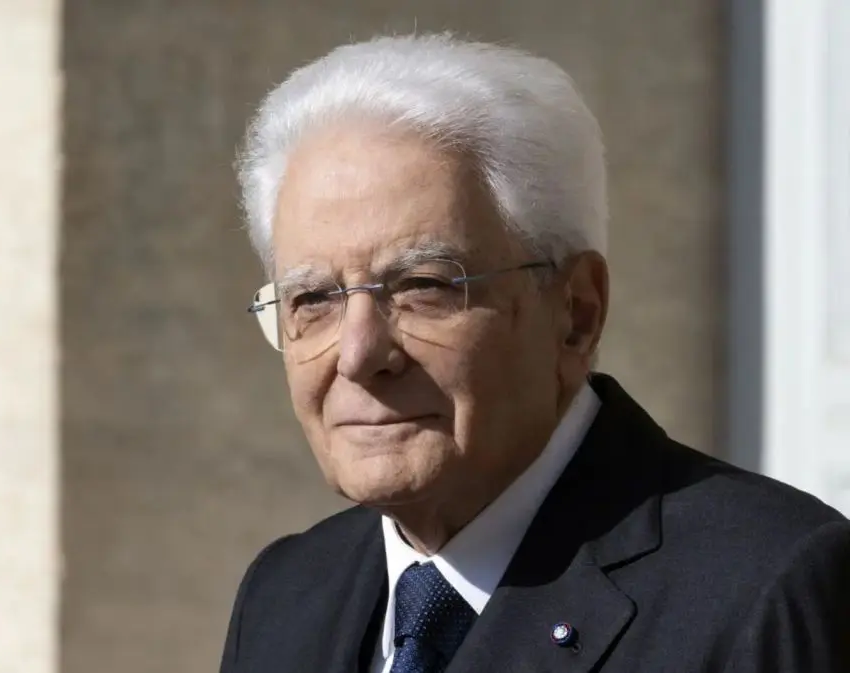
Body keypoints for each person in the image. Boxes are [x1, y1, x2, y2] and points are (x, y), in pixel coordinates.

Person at [220, 33, 850, 673]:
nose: (358, 354)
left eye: (423, 286)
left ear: (576, 313)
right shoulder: (284, 599)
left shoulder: (768, 591)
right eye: (313, 299)